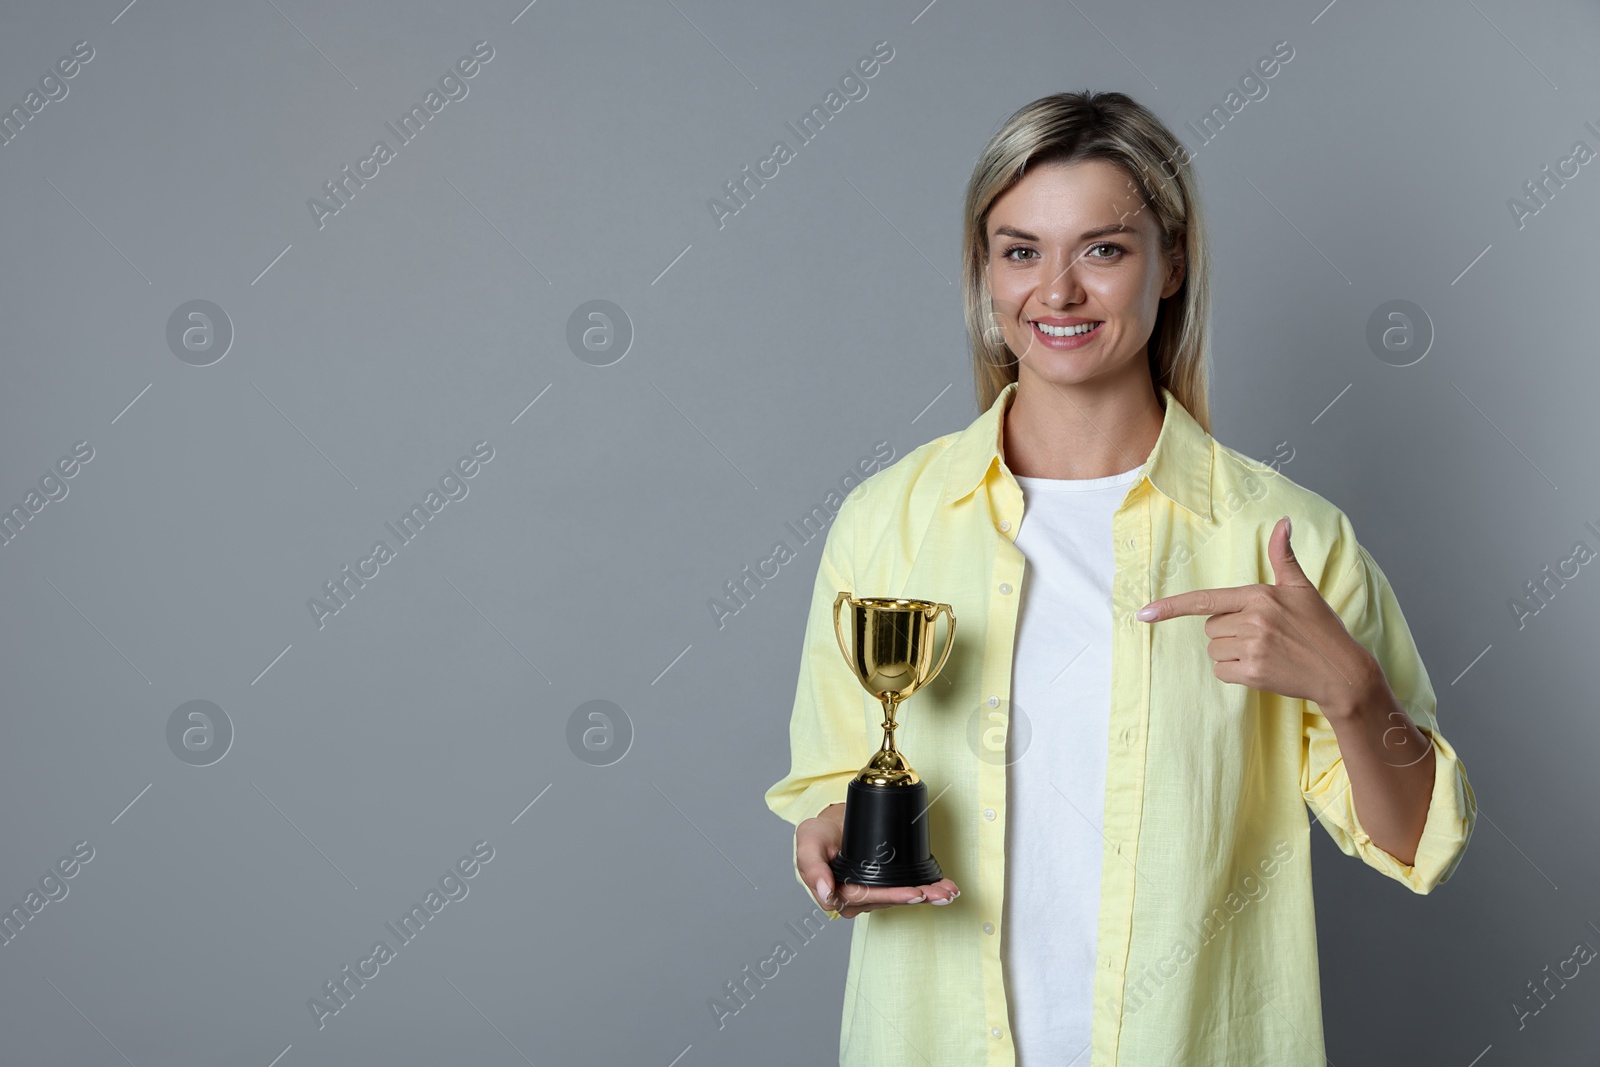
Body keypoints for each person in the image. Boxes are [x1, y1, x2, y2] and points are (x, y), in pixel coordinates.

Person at [763, 90, 1477, 1066]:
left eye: (1102, 249)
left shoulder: (1284, 536)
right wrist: (832, 838)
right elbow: (831, 782)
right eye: (1019, 250)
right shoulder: (886, 522)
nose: (1054, 292)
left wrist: (1353, 693)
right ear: (982, 269)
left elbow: (1417, 841)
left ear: (1171, 260)